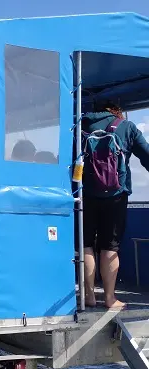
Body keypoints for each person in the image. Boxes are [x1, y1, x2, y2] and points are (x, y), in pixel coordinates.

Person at [81, 100, 149, 309]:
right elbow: (147, 155)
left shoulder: (81, 126)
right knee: (110, 246)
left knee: (86, 244)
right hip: (116, 196)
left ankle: (89, 296)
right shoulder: (126, 126)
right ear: (117, 111)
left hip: (85, 195)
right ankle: (110, 298)